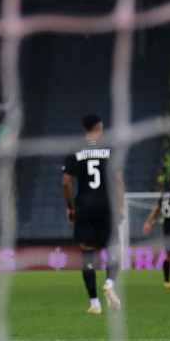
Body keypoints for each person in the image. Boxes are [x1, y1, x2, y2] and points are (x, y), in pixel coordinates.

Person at [62, 114, 123, 315]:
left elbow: (66, 182)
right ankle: (109, 283)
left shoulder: (75, 149)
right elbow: (117, 180)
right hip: (106, 205)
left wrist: (70, 206)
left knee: (87, 254)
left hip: (84, 206)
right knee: (113, 248)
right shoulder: (110, 147)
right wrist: (121, 206)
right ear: (100, 127)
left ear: (83, 128)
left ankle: (94, 303)